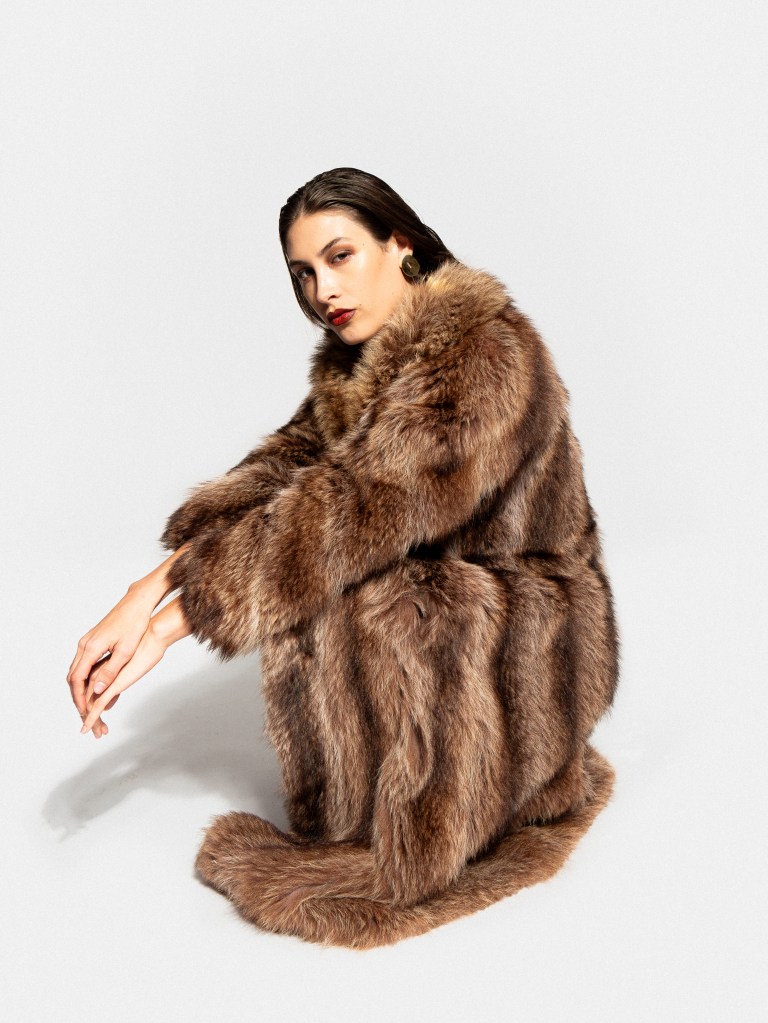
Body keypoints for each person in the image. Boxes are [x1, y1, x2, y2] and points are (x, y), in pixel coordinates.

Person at [67, 167, 619, 949]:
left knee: (367, 585)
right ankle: (355, 803)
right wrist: (147, 587)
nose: (323, 289)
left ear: (400, 244)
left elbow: (355, 508)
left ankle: (429, 828)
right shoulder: (358, 361)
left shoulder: (481, 354)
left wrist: (165, 627)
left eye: (339, 256)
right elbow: (282, 473)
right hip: (451, 589)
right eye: (303, 272)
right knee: (324, 566)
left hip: (531, 632)